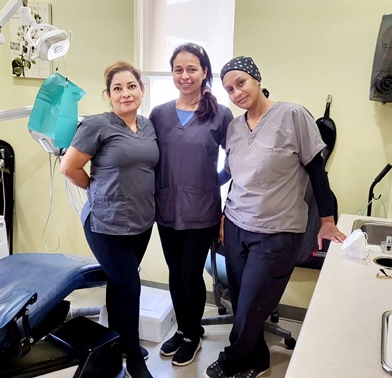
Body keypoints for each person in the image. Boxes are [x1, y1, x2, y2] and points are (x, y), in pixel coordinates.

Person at [204, 56, 347, 378]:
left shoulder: (292, 115)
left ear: (256, 79)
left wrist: (327, 221)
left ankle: (230, 361)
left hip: (278, 232)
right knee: (244, 304)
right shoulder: (234, 128)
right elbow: (233, 175)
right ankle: (259, 360)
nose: (236, 92)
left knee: (253, 306)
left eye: (241, 83)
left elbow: (316, 172)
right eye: (229, 89)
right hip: (238, 226)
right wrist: (200, 190)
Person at [60, 61, 158, 378]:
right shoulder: (97, 125)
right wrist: (95, 188)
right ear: (108, 95)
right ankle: (133, 355)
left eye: (131, 86)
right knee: (129, 286)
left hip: (142, 222)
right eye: (118, 88)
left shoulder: (147, 125)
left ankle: (118, 344)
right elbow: (69, 167)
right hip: (106, 222)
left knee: (120, 288)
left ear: (142, 90)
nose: (125, 93)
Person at [148, 43, 234, 367]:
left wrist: (216, 180)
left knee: (190, 273)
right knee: (174, 272)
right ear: (172, 73)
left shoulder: (220, 114)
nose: (185, 75)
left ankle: (192, 334)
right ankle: (183, 330)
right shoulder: (158, 114)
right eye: (178, 69)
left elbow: (238, 158)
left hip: (202, 212)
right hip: (166, 209)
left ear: (204, 72)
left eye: (192, 69)